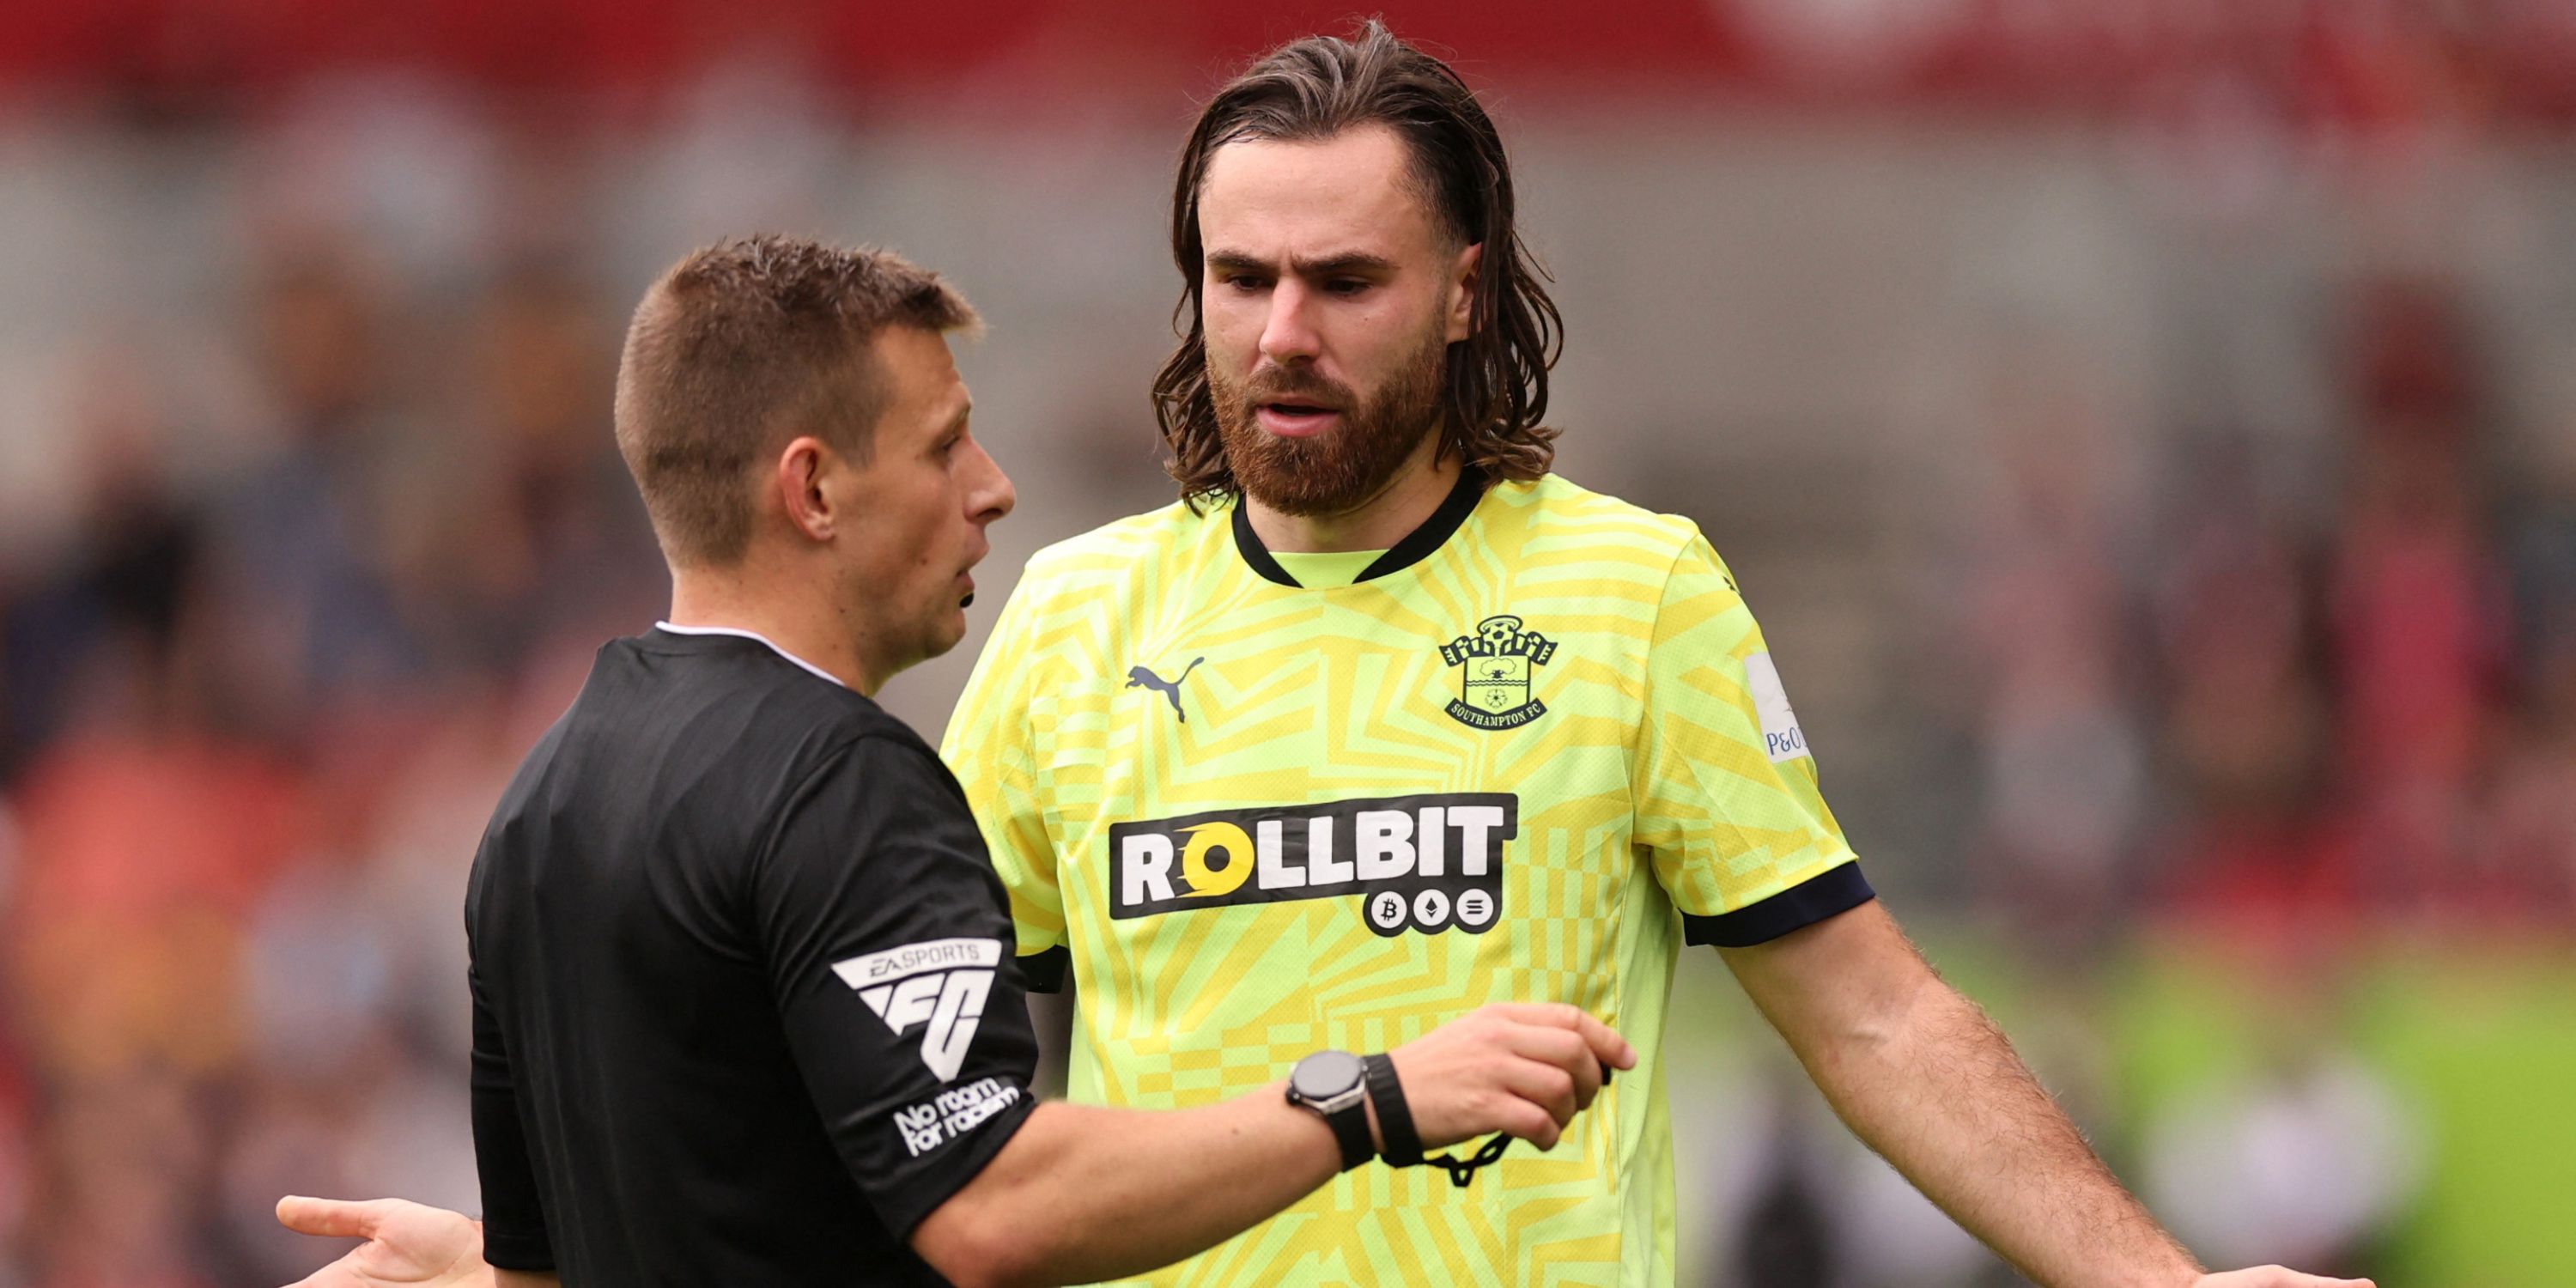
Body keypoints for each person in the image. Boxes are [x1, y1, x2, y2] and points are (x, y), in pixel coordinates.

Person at [291, 26, 2378, 1288]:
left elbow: (1876, 1020)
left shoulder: (1631, 594)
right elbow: (922, 1143)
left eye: (1344, 279)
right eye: (1238, 273)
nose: (1279, 328)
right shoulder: (1073, 623)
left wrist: (2149, 1275)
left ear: (1467, 292)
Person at [273, 235, 1633, 1288]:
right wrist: (1376, 1095)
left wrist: (471, 1265)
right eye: (943, 446)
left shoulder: (541, 800)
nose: (992, 485)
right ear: (811, 491)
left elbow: (556, 1268)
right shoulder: (844, 786)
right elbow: (991, 1203)